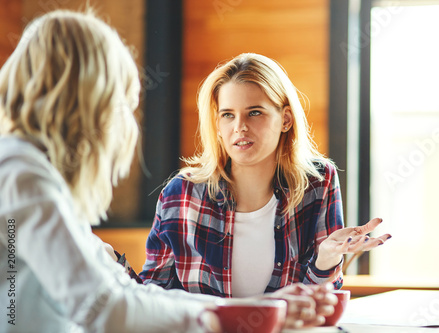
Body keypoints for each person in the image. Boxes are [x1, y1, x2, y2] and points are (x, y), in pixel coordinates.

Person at [0, 11, 334, 333]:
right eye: (119, 103)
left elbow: (129, 295)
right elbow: (104, 308)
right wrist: (222, 318)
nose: (124, 123)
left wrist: (254, 311)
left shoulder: (32, 175)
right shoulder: (20, 175)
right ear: (85, 101)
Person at [140, 53, 391, 298]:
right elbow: (151, 297)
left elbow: (319, 301)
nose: (239, 126)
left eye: (255, 112)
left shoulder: (318, 181)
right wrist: (110, 265)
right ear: (217, 125)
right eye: (228, 115)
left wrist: (326, 259)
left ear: (285, 119)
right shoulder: (181, 194)